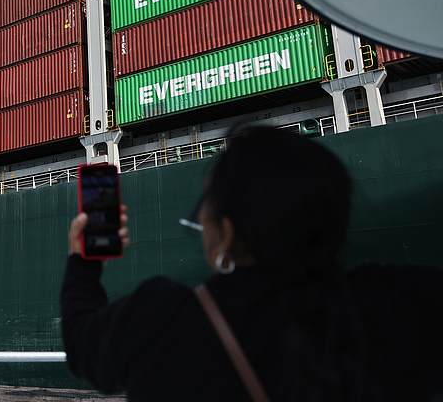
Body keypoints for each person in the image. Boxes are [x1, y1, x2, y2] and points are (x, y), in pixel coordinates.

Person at [61, 125, 443, 401]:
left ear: (226, 234)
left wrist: (83, 261)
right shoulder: (402, 301)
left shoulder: (163, 319)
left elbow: (81, 344)